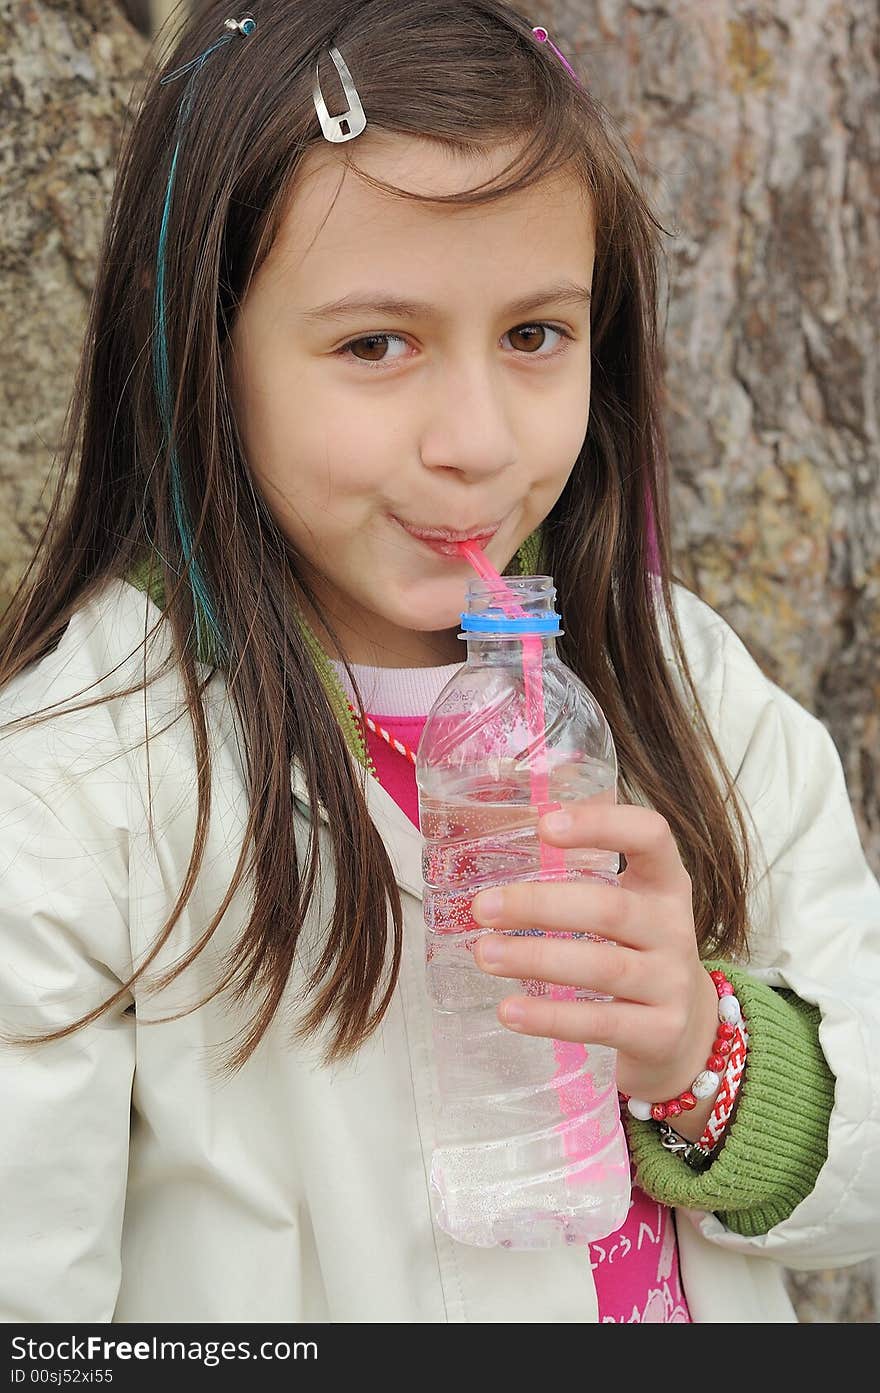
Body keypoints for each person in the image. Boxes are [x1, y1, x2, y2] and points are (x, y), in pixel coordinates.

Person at [1, 0, 878, 1325]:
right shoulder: (77, 796)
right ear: (203, 351)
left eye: (535, 335)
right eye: (375, 344)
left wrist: (703, 1052)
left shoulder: (690, 687)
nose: (474, 441)